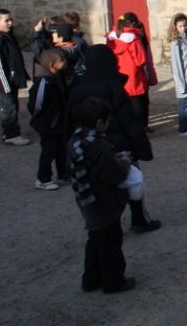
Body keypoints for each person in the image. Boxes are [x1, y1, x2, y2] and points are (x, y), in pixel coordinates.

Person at [68, 45, 160, 233]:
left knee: (101, 187)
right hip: (119, 145)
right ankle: (139, 219)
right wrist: (142, 149)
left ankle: (105, 222)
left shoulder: (77, 88)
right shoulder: (114, 87)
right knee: (133, 181)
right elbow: (129, 121)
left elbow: (70, 121)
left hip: (89, 146)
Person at [68, 97, 136, 294]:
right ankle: (114, 281)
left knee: (95, 240)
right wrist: (123, 162)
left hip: (86, 200)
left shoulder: (75, 142)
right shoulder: (99, 149)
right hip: (103, 203)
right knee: (111, 245)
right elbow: (114, 174)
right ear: (99, 123)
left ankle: (90, 279)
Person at [0, 9, 31, 145]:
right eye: (7, 20)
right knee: (8, 108)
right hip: (4, 82)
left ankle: (10, 132)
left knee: (12, 106)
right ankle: (12, 135)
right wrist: (5, 84)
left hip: (11, 80)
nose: (10, 23)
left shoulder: (8, 35)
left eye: (11, 20)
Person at [28, 49, 69, 190]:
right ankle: (43, 179)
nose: (65, 62)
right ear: (52, 65)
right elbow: (36, 104)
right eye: (61, 60)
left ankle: (63, 175)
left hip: (58, 122)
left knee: (61, 149)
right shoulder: (44, 82)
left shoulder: (56, 77)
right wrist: (44, 119)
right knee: (48, 151)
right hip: (47, 123)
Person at [106, 13, 150, 129]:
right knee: (139, 104)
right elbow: (141, 60)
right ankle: (141, 127)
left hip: (118, 73)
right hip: (134, 74)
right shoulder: (132, 39)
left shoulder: (111, 38)